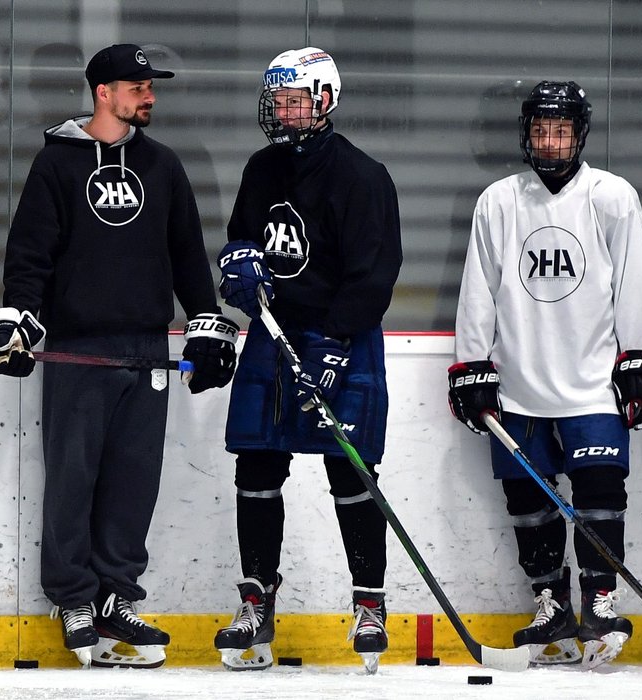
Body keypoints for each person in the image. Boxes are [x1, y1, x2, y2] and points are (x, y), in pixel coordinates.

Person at [0, 43, 239, 669]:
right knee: (73, 476)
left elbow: (185, 253)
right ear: (103, 92)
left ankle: (116, 597)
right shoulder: (57, 166)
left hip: (146, 349)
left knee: (133, 481)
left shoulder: (164, 166)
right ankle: (73, 597)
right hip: (78, 348)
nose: (149, 95)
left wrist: (206, 321)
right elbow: (31, 254)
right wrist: (19, 317)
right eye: (137, 86)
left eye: (151, 87)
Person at [448, 80, 642, 669]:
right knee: (527, 500)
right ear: (526, 132)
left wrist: (640, 360)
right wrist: (472, 365)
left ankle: (599, 598)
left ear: (579, 133)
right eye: (541, 129)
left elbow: (635, 286)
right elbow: (479, 292)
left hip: (592, 383)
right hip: (518, 384)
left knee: (600, 495)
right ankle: (550, 602)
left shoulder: (613, 197)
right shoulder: (498, 201)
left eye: (561, 129)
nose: (550, 139)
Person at [212, 47, 402, 673]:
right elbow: (242, 240)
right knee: (257, 466)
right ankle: (257, 602)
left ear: (324, 103)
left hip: (342, 334)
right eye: (277, 100)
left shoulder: (362, 176)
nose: (281, 111)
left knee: (351, 472)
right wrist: (238, 271)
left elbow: (375, 275)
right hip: (274, 333)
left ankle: (370, 605)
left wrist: (339, 346)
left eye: (293, 100)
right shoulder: (261, 167)